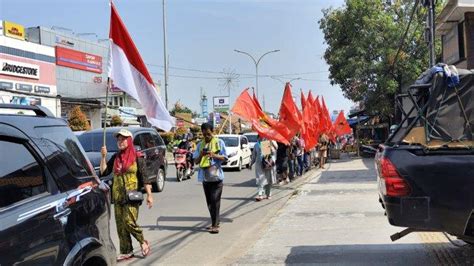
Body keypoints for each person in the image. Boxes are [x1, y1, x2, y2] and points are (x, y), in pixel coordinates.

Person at [100, 129, 153, 261]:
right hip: (117, 196)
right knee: (120, 225)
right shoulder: (116, 157)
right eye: (118, 139)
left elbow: (145, 177)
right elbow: (104, 172)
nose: (120, 142)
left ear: (129, 140)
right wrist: (103, 157)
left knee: (129, 222)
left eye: (123, 139)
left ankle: (142, 241)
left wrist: (149, 195)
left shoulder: (137, 156)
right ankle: (127, 250)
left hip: (131, 195)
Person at [193, 123, 227, 234]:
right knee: (209, 203)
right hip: (206, 178)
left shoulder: (219, 143)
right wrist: (202, 155)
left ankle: (215, 225)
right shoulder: (199, 145)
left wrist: (214, 155)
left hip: (217, 178)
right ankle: (215, 221)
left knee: (215, 201)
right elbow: (195, 161)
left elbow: (225, 158)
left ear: (213, 132)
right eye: (204, 134)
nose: (206, 136)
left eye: (208, 134)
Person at [251, 136, 277, 201]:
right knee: (260, 179)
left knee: (268, 180)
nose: (261, 137)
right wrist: (251, 163)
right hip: (259, 165)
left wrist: (270, 144)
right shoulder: (256, 145)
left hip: (268, 164)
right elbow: (254, 155)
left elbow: (275, 151)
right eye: (260, 136)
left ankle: (268, 194)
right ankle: (260, 195)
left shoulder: (271, 141)